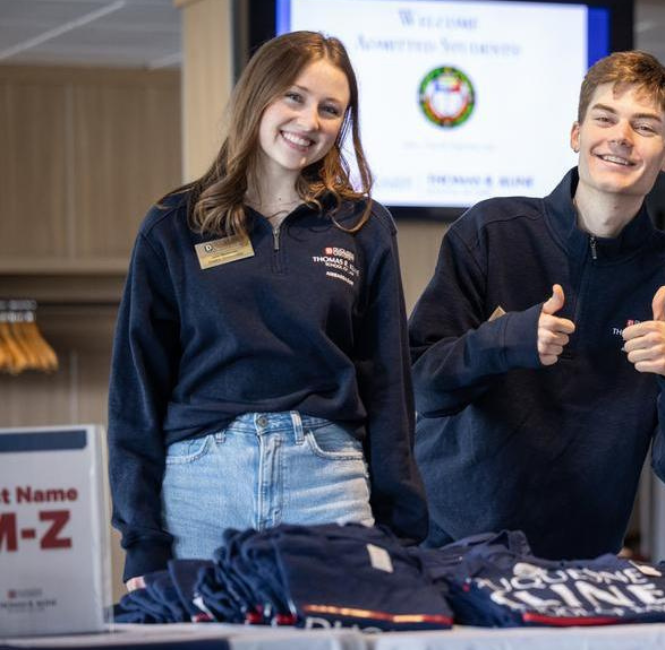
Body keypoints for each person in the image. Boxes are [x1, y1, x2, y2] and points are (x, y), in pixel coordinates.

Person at [108, 31, 426, 588]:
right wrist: (142, 540)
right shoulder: (174, 224)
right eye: (295, 98)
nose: (311, 121)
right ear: (259, 95)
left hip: (326, 479)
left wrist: (400, 528)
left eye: (331, 109)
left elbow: (388, 382)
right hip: (202, 484)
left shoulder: (363, 228)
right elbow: (136, 389)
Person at [408, 51, 665, 560]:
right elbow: (420, 386)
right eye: (605, 118)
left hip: (579, 564)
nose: (620, 137)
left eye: (644, 126)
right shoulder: (491, 233)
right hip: (440, 544)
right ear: (577, 134)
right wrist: (506, 340)